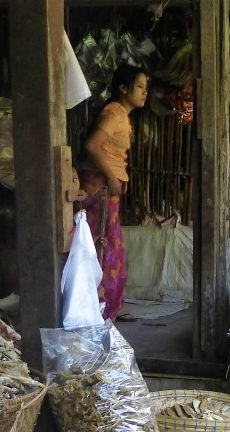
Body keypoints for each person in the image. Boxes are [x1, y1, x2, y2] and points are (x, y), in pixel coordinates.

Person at [78, 64, 149, 321]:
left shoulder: (121, 114)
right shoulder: (114, 113)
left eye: (145, 88)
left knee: (107, 246)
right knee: (101, 248)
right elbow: (91, 145)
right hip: (99, 188)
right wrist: (110, 175)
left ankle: (106, 311)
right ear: (123, 88)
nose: (144, 92)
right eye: (139, 86)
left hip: (106, 189)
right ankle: (100, 312)